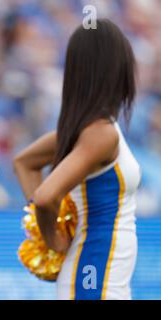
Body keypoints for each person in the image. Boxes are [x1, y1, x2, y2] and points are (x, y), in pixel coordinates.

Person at [13, 19, 140, 300]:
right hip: (94, 281)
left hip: (101, 279)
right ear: (115, 68)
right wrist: (53, 239)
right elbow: (46, 196)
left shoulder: (93, 129)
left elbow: (25, 162)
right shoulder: (100, 134)